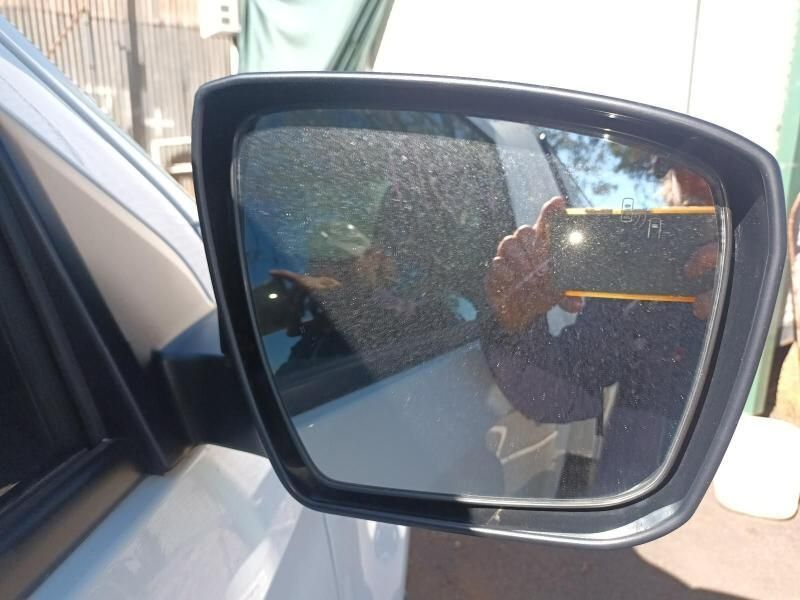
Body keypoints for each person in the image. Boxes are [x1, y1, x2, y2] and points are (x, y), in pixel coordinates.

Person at [482, 169, 719, 497]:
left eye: (711, 167)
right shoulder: (625, 291)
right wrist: (515, 318)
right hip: (630, 491)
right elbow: (559, 394)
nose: (696, 179)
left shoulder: (748, 275)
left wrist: (737, 298)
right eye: (680, 165)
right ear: (668, 181)